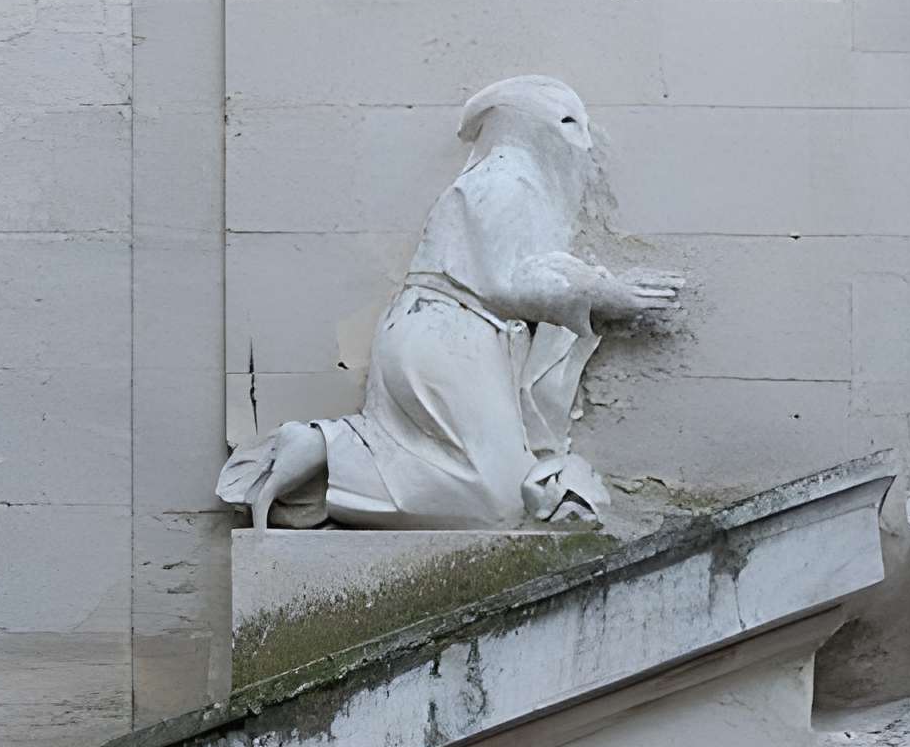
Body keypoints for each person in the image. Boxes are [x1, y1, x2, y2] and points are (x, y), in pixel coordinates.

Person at [216, 76, 681, 530]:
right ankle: (335, 450)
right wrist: (605, 294)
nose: (582, 142)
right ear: (524, 124)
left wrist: (601, 290)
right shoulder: (507, 178)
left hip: (451, 331)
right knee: (496, 502)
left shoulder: (503, 179)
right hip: (449, 333)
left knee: (494, 487)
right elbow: (512, 280)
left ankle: (330, 453)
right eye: (566, 121)